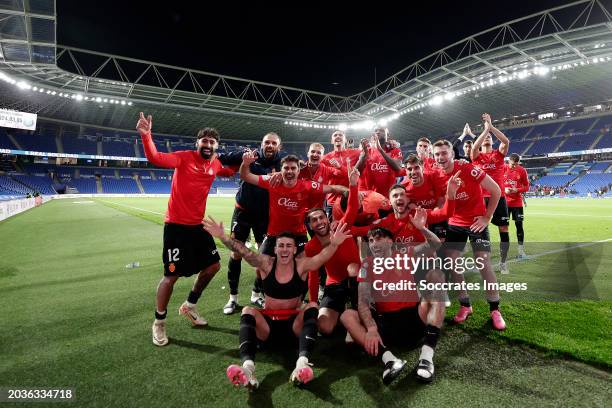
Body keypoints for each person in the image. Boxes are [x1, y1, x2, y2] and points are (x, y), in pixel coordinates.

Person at [203, 216, 352, 389]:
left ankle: (302, 364)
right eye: (281, 245)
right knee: (248, 311)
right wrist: (223, 236)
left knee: (312, 307)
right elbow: (243, 251)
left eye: (289, 245)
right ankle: (248, 369)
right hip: (267, 329)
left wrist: (334, 244)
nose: (284, 249)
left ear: (295, 249)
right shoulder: (266, 264)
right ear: (275, 248)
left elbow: (321, 257)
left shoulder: (301, 265)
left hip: (294, 329)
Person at [136, 112, 224, 346]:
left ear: (216, 146)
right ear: (198, 143)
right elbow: (155, 157)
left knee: (213, 266)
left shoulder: (216, 163)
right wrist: (147, 135)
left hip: (198, 226)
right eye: (204, 141)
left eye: (211, 142)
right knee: (170, 276)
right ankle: (159, 322)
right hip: (176, 227)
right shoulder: (183, 158)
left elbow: (230, 169)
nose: (207, 144)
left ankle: (190, 305)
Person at [340, 222, 446, 384]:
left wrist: (421, 228)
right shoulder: (367, 264)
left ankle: (426, 356)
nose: (374, 243)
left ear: (390, 241)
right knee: (347, 316)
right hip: (386, 324)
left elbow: (435, 243)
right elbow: (362, 300)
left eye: (378, 239)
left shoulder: (404, 254)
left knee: (437, 279)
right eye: (371, 240)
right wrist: (371, 328)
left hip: (415, 318)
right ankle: (389, 360)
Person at [432, 139, 507, 330]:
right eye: (437, 154)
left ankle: (495, 309)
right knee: (454, 264)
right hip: (455, 224)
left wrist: (487, 217)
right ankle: (465, 305)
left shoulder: (468, 168)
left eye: (444, 153)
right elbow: (443, 204)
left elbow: (496, 190)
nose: (441, 157)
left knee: (483, 263)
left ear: (452, 154)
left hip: (476, 222)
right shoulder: (436, 175)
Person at [218, 132, 284, 314]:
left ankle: (256, 294)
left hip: (265, 216)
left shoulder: (282, 165)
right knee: (236, 253)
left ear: (279, 146)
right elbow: (219, 158)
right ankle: (233, 298)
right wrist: (226, 169)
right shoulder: (248, 154)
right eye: (267, 142)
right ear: (261, 144)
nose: (269, 145)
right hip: (243, 212)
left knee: (266, 257)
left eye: (273, 143)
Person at [304, 165, 362, 336]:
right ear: (310, 226)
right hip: (335, 284)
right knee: (324, 327)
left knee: (354, 269)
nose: (319, 222)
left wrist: (353, 185)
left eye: (321, 217)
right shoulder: (311, 246)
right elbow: (313, 276)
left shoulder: (341, 226)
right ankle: (346, 314)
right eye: (314, 220)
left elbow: (351, 208)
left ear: (327, 219)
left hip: (358, 280)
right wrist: (313, 302)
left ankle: (355, 309)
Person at [471, 113, 511, 274]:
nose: (487, 137)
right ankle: (481, 262)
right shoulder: (477, 156)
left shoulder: (498, 155)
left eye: (489, 137)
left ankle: (503, 262)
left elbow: (506, 141)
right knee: (478, 230)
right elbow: (474, 147)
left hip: (499, 197)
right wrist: (485, 131)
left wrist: (490, 127)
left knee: (504, 229)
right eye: (485, 136)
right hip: (481, 198)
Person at [321, 130, 361, 218]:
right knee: (333, 229)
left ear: (345, 140)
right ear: (332, 141)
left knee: (353, 230)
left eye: (340, 135)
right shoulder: (325, 158)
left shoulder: (355, 153)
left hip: (352, 199)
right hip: (333, 201)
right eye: (335, 135)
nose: (338, 136)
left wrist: (391, 145)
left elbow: (370, 153)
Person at [355, 127, 403, 195]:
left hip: (389, 195)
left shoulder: (395, 150)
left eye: (381, 130)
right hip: (370, 196)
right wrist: (363, 157)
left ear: (388, 135)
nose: (377, 132)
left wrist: (380, 150)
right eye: (376, 131)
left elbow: (398, 168)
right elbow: (356, 173)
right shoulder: (367, 151)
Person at [504, 153, 530, 259]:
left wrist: (517, 190)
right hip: (504, 203)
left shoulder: (522, 170)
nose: (514, 166)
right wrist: (504, 189)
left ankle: (520, 251)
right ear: (508, 161)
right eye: (512, 164)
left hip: (517, 203)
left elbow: (527, 186)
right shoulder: (503, 168)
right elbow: (496, 182)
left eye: (516, 164)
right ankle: (504, 252)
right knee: (504, 227)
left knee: (519, 226)